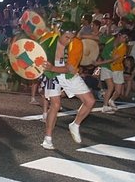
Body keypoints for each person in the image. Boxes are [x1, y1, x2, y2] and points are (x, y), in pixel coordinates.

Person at [39, 21, 95, 150]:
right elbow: (35, 55)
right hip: (50, 75)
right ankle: (48, 139)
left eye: (71, 38)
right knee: (56, 105)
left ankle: (75, 124)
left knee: (90, 101)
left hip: (66, 72)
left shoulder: (77, 44)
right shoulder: (48, 39)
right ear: (60, 32)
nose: (69, 40)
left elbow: (70, 69)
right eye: (66, 37)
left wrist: (53, 67)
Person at [96, 30, 130, 113]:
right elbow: (97, 38)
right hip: (106, 67)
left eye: (126, 38)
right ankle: (105, 106)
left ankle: (111, 100)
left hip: (117, 68)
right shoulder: (110, 39)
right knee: (110, 87)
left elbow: (112, 60)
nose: (125, 39)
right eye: (124, 37)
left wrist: (98, 63)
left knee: (118, 91)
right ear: (119, 35)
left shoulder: (123, 47)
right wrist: (83, 36)